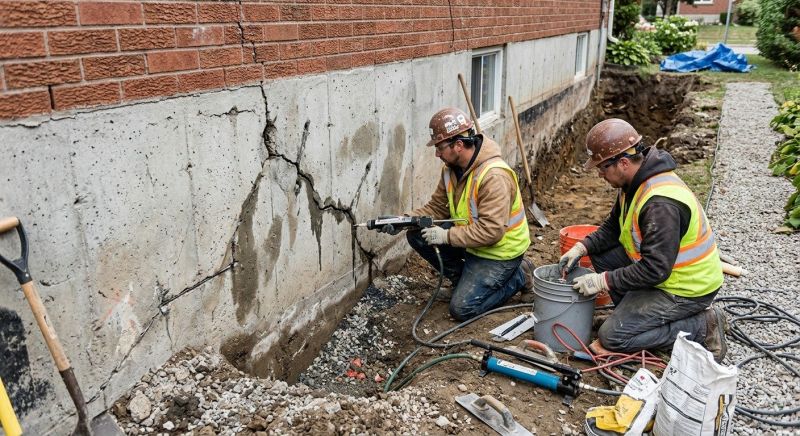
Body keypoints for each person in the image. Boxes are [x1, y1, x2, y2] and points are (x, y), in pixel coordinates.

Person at [558, 118, 728, 362]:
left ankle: (704, 325)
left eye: (602, 168)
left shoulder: (660, 204)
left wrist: (603, 280)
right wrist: (581, 246)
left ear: (623, 163)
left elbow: (656, 270)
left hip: (686, 288)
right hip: (662, 275)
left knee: (612, 338)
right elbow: (613, 227)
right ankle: (633, 320)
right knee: (600, 251)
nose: (599, 174)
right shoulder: (633, 183)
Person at [384, 107, 534, 321]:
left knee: (462, 309)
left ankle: (520, 275)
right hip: (473, 243)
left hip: (499, 253)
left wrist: (446, 236)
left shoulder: (494, 176)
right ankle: (462, 282)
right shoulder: (451, 169)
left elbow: (492, 232)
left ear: (459, 145)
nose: (436, 154)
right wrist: (404, 220)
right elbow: (437, 209)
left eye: (439, 147)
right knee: (417, 234)